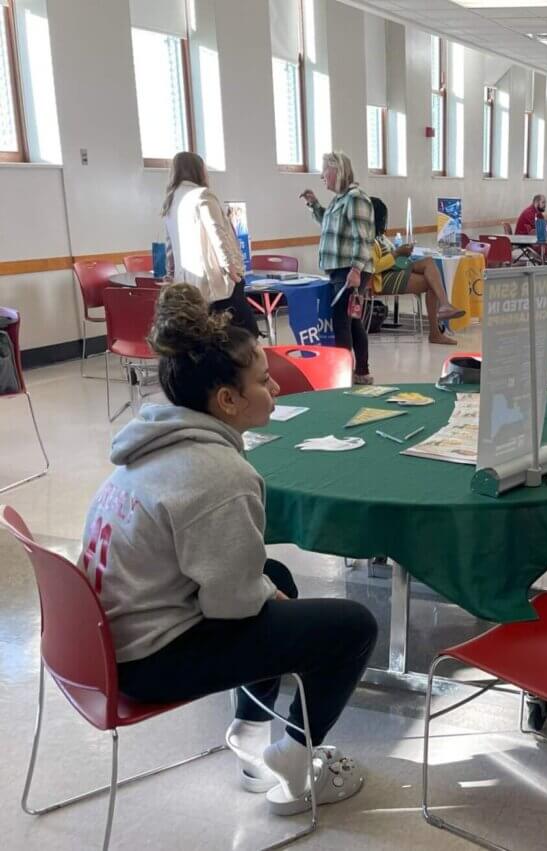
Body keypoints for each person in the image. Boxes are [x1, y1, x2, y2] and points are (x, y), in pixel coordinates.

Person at [80, 283, 378, 815]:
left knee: (276, 572)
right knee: (353, 627)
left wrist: (269, 594)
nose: (275, 390)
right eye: (264, 382)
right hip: (146, 662)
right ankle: (295, 754)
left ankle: (249, 728)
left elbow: (236, 583)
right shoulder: (220, 475)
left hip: (102, 643)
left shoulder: (150, 444)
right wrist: (269, 601)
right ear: (227, 401)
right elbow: (233, 605)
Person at [161, 152, 259, 337]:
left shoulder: (171, 201)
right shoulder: (202, 196)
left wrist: (171, 274)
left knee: (206, 335)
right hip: (215, 281)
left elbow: (170, 246)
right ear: (199, 170)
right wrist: (232, 269)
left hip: (187, 284)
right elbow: (218, 234)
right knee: (246, 334)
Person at [300, 151, 375, 385]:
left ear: (338, 171)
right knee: (351, 321)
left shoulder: (356, 198)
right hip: (340, 269)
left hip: (349, 269)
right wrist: (314, 205)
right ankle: (360, 372)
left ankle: (347, 373)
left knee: (342, 321)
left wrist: (356, 269)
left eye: (325, 171)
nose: (322, 176)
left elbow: (363, 238)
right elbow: (330, 225)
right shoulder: (340, 199)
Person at [369, 197, 465, 346]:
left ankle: (444, 309)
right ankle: (437, 327)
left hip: (393, 269)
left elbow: (392, 256)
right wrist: (397, 253)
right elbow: (375, 267)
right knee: (431, 281)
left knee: (429, 263)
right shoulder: (367, 238)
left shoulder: (379, 237)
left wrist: (403, 253)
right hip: (381, 279)